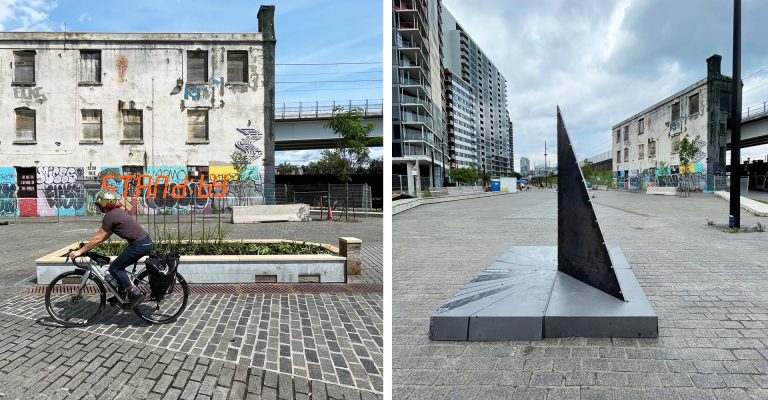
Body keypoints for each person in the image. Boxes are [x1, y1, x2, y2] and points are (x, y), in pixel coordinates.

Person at [68, 189, 152, 309]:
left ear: (103, 203)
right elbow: (104, 237)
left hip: (140, 245)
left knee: (115, 268)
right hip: (143, 242)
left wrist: (79, 251)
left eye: (98, 205)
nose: (98, 208)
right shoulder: (116, 212)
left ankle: (135, 292)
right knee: (118, 266)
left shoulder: (110, 216)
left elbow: (98, 238)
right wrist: (86, 247)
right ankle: (121, 293)